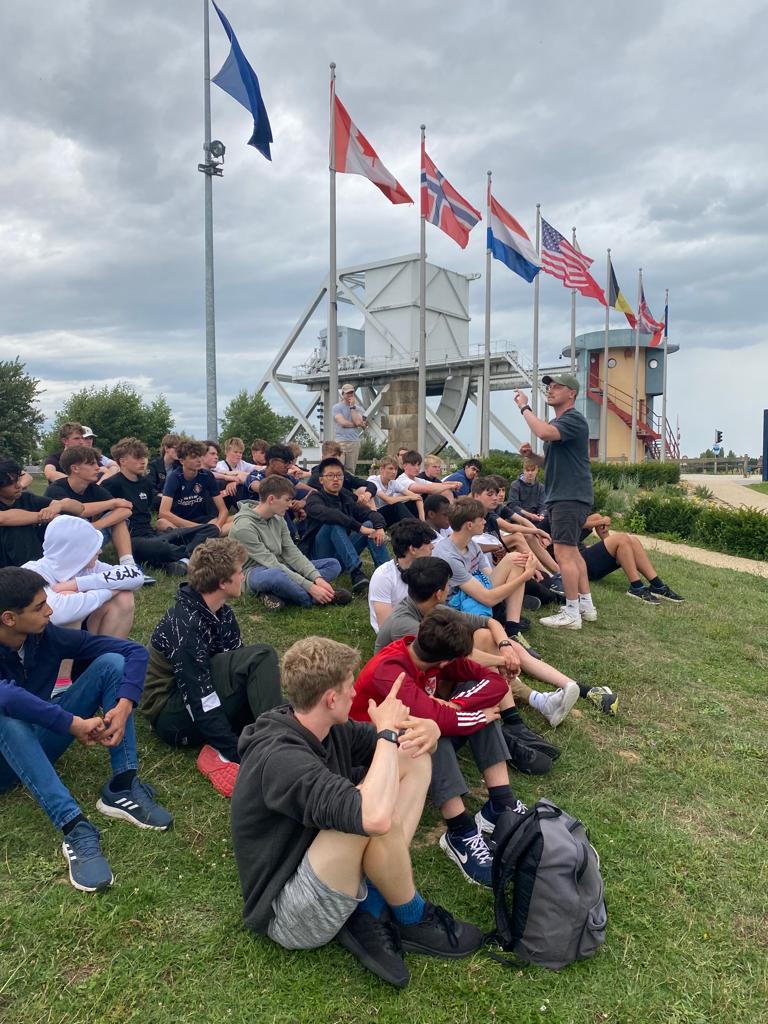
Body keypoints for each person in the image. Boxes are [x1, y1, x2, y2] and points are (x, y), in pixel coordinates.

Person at [231, 635, 483, 989]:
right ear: (331, 698)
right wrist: (385, 733)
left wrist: (431, 725)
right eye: (350, 686)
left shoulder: (322, 726)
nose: (356, 693)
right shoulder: (281, 758)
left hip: (318, 860)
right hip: (290, 911)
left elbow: (401, 745)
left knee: (412, 756)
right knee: (374, 812)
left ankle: (373, 901)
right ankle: (411, 916)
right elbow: (375, 817)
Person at [0, 567, 172, 893]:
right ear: (9, 618)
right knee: (5, 714)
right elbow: (6, 696)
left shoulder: (43, 636)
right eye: (39, 607)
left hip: (38, 741)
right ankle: (75, 827)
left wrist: (124, 704)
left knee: (111, 664)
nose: (50, 611)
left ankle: (123, 784)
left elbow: (132, 652)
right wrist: (71, 723)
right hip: (4, 760)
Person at [352, 608, 528, 887]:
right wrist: (463, 715)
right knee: (428, 732)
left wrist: (459, 705)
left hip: (408, 733)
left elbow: (495, 683)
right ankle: (459, 832)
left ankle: (500, 802)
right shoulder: (390, 670)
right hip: (371, 753)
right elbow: (434, 720)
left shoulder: (428, 653)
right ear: (447, 661)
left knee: (457, 715)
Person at [142, 539, 282, 798]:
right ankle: (277, 747)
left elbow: (235, 672)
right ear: (222, 582)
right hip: (171, 715)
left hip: (199, 699)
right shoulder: (184, 624)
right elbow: (199, 698)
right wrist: (233, 749)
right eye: (239, 572)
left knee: (259, 679)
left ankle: (279, 733)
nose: (243, 576)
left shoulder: (222, 613)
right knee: (261, 656)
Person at [374, 557, 582, 730]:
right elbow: (456, 655)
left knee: (484, 635)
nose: (450, 590)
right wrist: (502, 659)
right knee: (484, 670)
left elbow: (488, 621)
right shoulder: (405, 624)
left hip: (430, 672)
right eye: (449, 586)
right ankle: (518, 715)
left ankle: (532, 704)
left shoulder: (429, 607)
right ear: (439, 592)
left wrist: (505, 646)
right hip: (407, 690)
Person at [515, 373, 597, 630]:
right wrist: (533, 456)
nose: (550, 390)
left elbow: (541, 431)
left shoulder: (572, 419)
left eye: (557, 386)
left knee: (564, 554)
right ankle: (586, 605)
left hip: (568, 496)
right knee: (572, 552)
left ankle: (571, 612)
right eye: (548, 386)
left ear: (571, 393)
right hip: (567, 495)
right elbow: (550, 461)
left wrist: (524, 407)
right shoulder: (561, 423)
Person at [230, 475, 350, 611]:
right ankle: (317, 599)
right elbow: (270, 563)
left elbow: (292, 552)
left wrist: (317, 579)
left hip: (280, 566)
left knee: (333, 564)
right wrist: (311, 587)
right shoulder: (244, 527)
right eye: (287, 500)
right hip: (252, 573)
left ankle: (273, 594)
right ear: (271, 499)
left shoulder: (278, 518)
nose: (290, 505)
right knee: (276, 576)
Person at [433, 497, 537, 651]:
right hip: (459, 607)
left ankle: (513, 628)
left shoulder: (471, 544)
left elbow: (489, 576)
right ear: (469, 525)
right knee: (518, 568)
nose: (485, 522)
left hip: (474, 593)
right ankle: (507, 624)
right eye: (481, 519)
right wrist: (525, 576)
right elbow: (487, 599)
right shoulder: (449, 556)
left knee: (515, 558)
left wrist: (518, 570)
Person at [102, 437, 217, 575]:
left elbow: (149, 509)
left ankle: (182, 562)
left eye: (144, 457)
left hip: (153, 534)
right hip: (132, 539)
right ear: (122, 461)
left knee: (210, 529)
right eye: (137, 457)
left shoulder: (145, 483)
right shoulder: (111, 484)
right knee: (162, 547)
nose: (143, 461)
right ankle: (197, 557)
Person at [22, 515, 144, 638]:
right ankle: (69, 657)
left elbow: (135, 574)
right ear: (76, 551)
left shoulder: (88, 566)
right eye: (92, 548)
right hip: (44, 644)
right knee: (69, 601)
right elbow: (58, 614)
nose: (100, 551)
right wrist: (110, 590)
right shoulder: (33, 572)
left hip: (85, 629)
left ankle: (105, 653)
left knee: (124, 596)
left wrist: (77, 584)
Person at [300, 457, 390, 593]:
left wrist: (379, 527)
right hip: (321, 558)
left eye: (339, 475)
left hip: (342, 554)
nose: (335, 479)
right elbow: (331, 515)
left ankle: (386, 573)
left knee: (370, 523)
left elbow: (367, 512)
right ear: (321, 480)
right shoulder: (314, 499)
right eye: (330, 476)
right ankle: (356, 573)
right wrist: (359, 527)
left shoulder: (346, 498)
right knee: (334, 524)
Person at [560, 514, 684, 605]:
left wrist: (603, 529)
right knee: (621, 539)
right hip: (574, 562)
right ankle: (636, 588)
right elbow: (568, 522)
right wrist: (602, 521)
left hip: (581, 554)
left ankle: (658, 586)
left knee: (632, 541)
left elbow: (587, 520)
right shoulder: (554, 508)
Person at [45, 446, 135, 562]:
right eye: (91, 464)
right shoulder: (56, 489)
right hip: (62, 547)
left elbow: (126, 509)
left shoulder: (93, 488)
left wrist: (97, 525)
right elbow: (80, 510)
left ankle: (128, 564)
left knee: (119, 519)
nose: (98, 468)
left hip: (87, 536)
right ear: (75, 468)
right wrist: (112, 503)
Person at [0, 458, 83, 569]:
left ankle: (70, 567)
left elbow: (79, 508)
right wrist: (46, 516)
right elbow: (4, 518)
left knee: (63, 521)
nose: (18, 486)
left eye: (17, 480)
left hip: (31, 554)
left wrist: (59, 506)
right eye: (10, 483)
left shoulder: (27, 498)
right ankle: (33, 574)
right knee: (18, 527)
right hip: (6, 561)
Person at [368, 519, 435, 632]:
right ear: (412, 549)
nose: (432, 546)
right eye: (427, 542)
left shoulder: (428, 567)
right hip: (398, 634)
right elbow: (386, 627)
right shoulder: (383, 577)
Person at [159, 439, 228, 534]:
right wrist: (198, 528)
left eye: (200, 456)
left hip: (203, 520)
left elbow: (223, 510)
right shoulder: (174, 477)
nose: (199, 460)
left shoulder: (207, 475)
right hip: (180, 522)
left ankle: (199, 535)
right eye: (194, 457)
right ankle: (201, 535)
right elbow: (163, 512)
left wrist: (217, 526)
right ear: (182, 461)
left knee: (237, 519)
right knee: (161, 523)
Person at [306, 442, 377, 501]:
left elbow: (370, 484)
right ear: (323, 458)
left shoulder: (344, 474)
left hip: (349, 506)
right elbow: (341, 492)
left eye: (338, 456)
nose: (336, 459)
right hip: (329, 509)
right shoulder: (317, 476)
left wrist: (368, 494)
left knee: (364, 490)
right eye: (333, 456)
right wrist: (357, 499)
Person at [368, 456, 424, 525]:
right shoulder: (373, 480)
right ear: (382, 469)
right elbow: (388, 500)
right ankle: (415, 527)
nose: (394, 472)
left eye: (396, 469)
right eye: (390, 469)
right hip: (374, 515)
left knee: (411, 502)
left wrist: (423, 520)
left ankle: (421, 526)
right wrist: (409, 497)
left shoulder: (393, 483)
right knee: (397, 505)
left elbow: (417, 497)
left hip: (388, 514)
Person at [332, 384, 367, 472]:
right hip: (341, 441)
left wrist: (352, 407)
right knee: (338, 467)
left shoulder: (358, 409)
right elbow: (343, 423)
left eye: (352, 392)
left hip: (354, 442)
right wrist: (357, 424)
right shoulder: (337, 407)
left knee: (350, 470)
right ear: (343, 394)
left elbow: (360, 423)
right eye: (348, 393)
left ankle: (348, 486)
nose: (350, 395)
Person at [147, 433, 181, 507]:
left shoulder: (180, 466)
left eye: (180, 449)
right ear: (166, 449)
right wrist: (163, 495)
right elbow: (149, 487)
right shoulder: (153, 466)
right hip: (160, 497)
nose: (179, 452)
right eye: (176, 448)